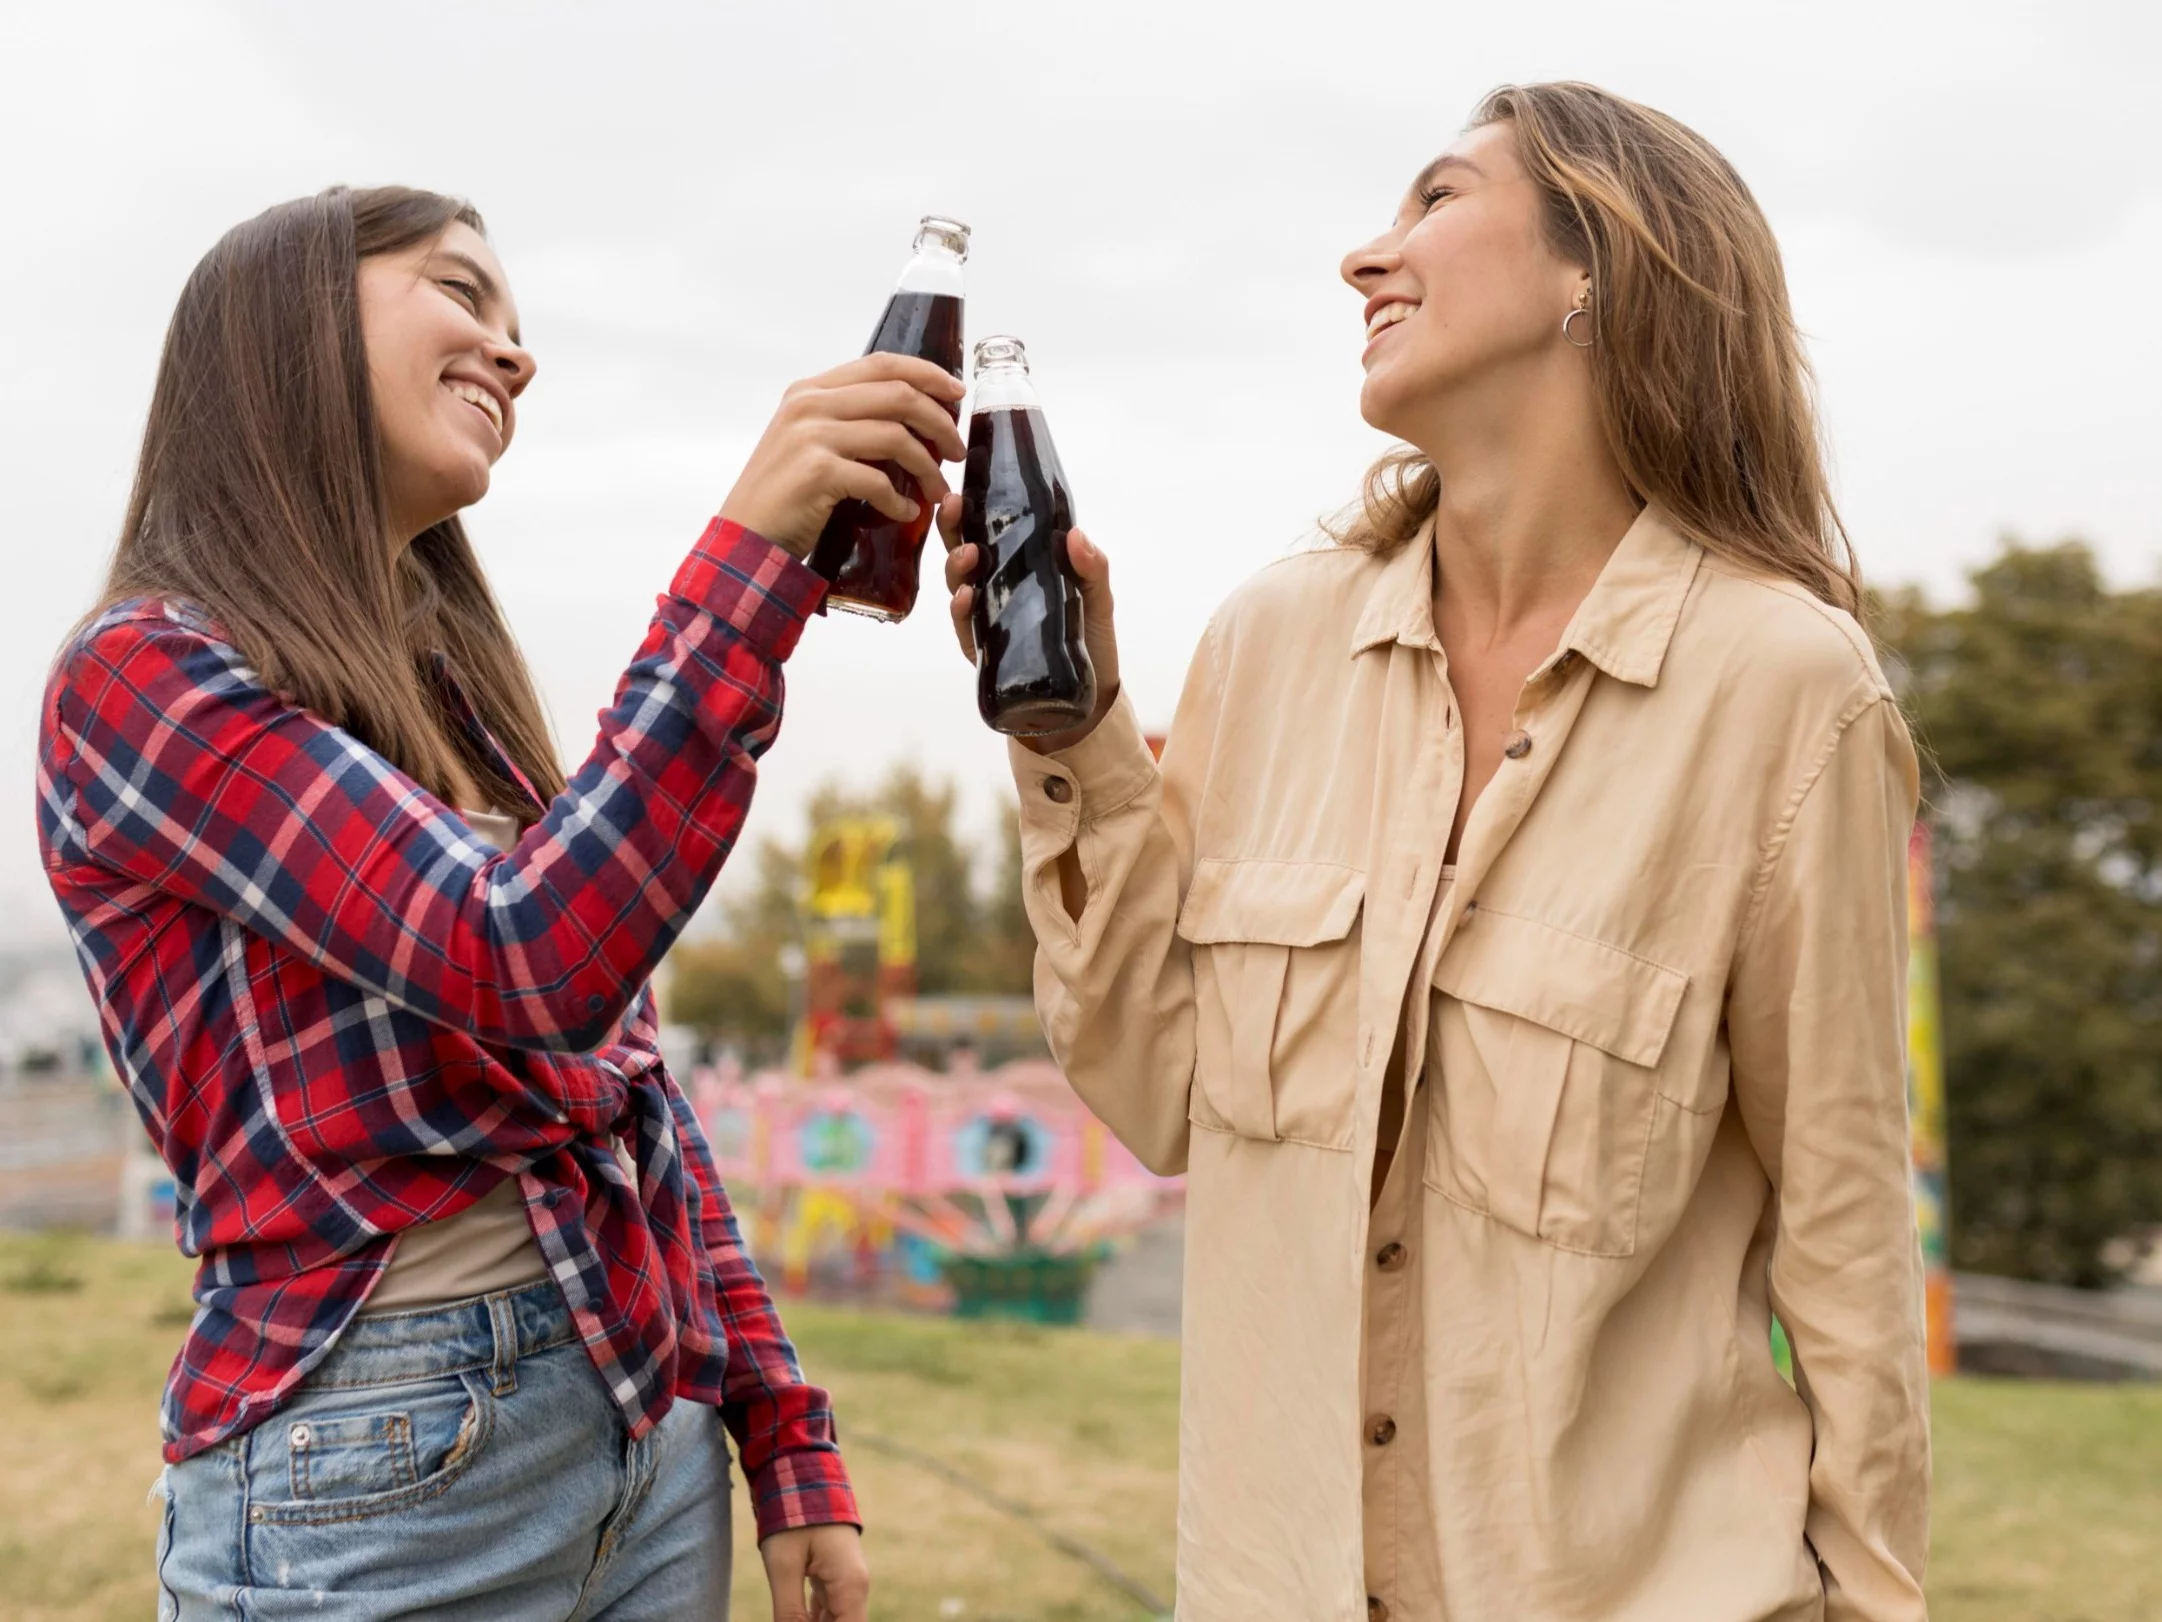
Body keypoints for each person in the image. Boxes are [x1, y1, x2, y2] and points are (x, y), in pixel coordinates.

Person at [940, 82, 1930, 1621]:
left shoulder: (1785, 696)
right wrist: (1069, 741)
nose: (1364, 257)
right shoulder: (1269, 643)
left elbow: (1850, 1245)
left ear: (1591, 262)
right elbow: (1156, 1084)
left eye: (1433, 201)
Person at [40, 185, 967, 1621]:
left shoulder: (457, 692)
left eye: (520, 323)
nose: (513, 352)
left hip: (640, 1427)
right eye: (461, 293)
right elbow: (524, 956)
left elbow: (625, 1091)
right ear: (283, 330)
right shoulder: (141, 676)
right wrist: (751, 559)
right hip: (379, 1455)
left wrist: (779, 1430)